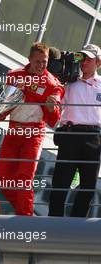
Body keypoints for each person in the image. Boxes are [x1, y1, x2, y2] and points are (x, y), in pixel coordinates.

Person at [0, 42, 64, 216]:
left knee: (24, 179)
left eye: (45, 61)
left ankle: (25, 218)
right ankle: (27, 214)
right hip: (13, 131)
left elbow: (54, 120)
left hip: (34, 134)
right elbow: (4, 106)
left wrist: (51, 107)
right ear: (29, 60)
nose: (41, 65)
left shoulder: (53, 84)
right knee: (4, 181)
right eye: (38, 61)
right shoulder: (14, 75)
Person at [48, 43, 101, 217]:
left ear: (98, 63)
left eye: (88, 59)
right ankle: (54, 223)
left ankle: (75, 226)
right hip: (70, 134)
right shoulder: (68, 79)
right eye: (82, 57)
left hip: (94, 138)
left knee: (88, 188)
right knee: (60, 184)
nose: (84, 62)